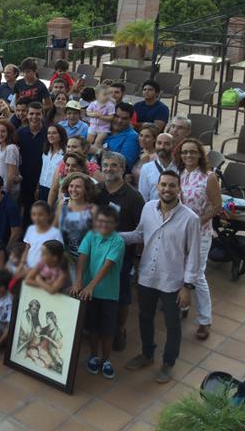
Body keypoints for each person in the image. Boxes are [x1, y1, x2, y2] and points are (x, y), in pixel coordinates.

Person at [120, 171, 202, 384]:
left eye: (172, 185)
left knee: (172, 324)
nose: (167, 189)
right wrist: (114, 236)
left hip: (173, 281)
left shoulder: (190, 219)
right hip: (147, 275)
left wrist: (187, 287)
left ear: (179, 188)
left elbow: (194, 255)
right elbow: (140, 235)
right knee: (145, 317)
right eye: (163, 185)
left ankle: (168, 362)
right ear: (157, 187)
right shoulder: (148, 208)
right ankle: (147, 355)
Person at [93, 151, 145, 353]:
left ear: (123, 169)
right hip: (96, 253)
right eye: (105, 165)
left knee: (121, 295)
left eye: (113, 165)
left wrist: (116, 238)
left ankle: (120, 329)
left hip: (121, 257)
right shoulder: (97, 191)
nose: (108, 169)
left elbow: (142, 232)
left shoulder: (133, 197)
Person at [70, 205, 125, 380]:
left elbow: (107, 266)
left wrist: (91, 286)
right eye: (100, 221)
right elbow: (83, 258)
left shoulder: (118, 241)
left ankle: (106, 359)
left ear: (115, 224)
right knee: (92, 328)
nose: (103, 225)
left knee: (107, 331)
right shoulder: (90, 235)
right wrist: (79, 280)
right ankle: (93, 356)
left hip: (108, 293)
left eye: (108, 222)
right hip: (88, 292)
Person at [175, 139, 222, 341]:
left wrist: (197, 223)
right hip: (180, 232)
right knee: (181, 270)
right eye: (185, 152)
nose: (188, 156)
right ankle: (184, 304)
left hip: (201, 233)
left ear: (200, 155)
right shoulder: (181, 174)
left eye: (192, 152)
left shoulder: (208, 177)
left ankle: (205, 320)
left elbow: (216, 206)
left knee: (197, 275)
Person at [16, 101, 47, 223]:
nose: (34, 117)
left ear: (43, 115)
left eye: (38, 114)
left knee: (40, 209)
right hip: (24, 177)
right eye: (32, 113)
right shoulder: (20, 133)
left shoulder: (48, 133)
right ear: (27, 115)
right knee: (24, 206)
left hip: (42, 178)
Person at [20, 200, 64, 273]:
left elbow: (59, 255)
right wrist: (22, 264)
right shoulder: (30, 229)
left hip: (45, 273)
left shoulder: (56, 233)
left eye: (41, 214)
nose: (36, 218)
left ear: (48, 215)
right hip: (28, 269)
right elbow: (27, 248)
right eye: (33, 214)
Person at [138, 133, 177, 202]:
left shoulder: (180, 167)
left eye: (167, 144)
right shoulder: (146, 168)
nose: (162, 147)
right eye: (159, 143)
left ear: (173, 146)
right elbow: (143, 196)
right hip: (153, 210)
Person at [103, 103, 140, 172]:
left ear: (130, 119)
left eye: (124, 118)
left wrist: (98, 151)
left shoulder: (132, 137)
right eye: (116, 116)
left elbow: (124, 164)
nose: (119, 121)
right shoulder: (103, 128)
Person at [39, 124, 67, 201]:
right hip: (42, 187)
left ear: (61, 135)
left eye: (54, 133)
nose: (51, 135)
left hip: (55, 190)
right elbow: (42, 171)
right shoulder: (46, 152)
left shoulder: (65, 154)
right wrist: (37, 188)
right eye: (49, 133)